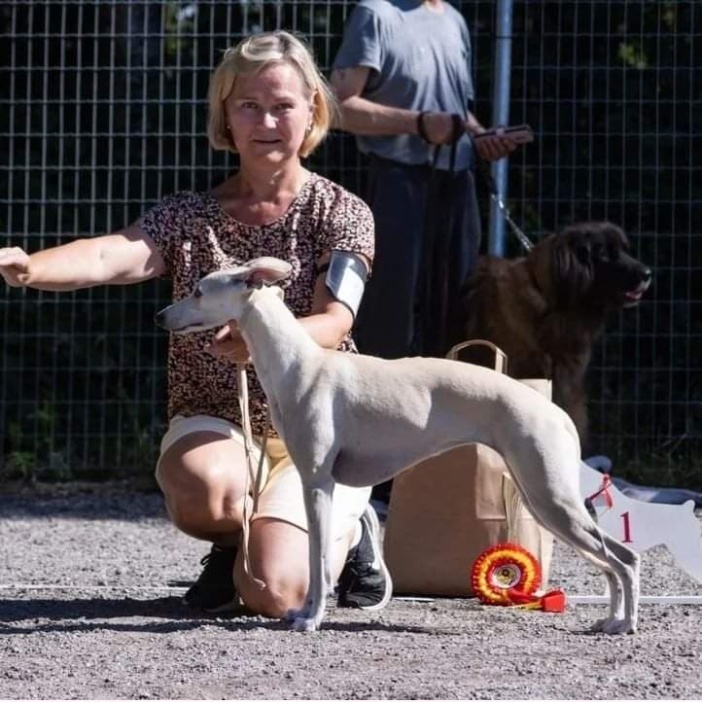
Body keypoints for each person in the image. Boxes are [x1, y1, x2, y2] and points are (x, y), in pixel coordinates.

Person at [0, 30, 391, 617]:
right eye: (249, 105)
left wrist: (257, 340)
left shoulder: (343, 212)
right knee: (204, 490)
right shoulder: (187, 216)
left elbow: (334, 323)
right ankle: (236, 540)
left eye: (283, 105)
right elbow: (109, 255)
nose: (266, 121)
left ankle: (351, 529)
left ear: (312, 109)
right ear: (225, 115)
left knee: (276, 596)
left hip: (319, 429)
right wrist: (32, 268)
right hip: (220, 421)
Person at [331, 0, 520, 360]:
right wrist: (417, 124)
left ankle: (451, 394)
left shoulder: (453, 20)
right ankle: (382, 393)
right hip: (396, 182)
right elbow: (337, 107)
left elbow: (455, 112)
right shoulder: (376, 14)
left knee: (458, 310)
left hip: (457, 184)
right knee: (391, 311)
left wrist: (480, 136)